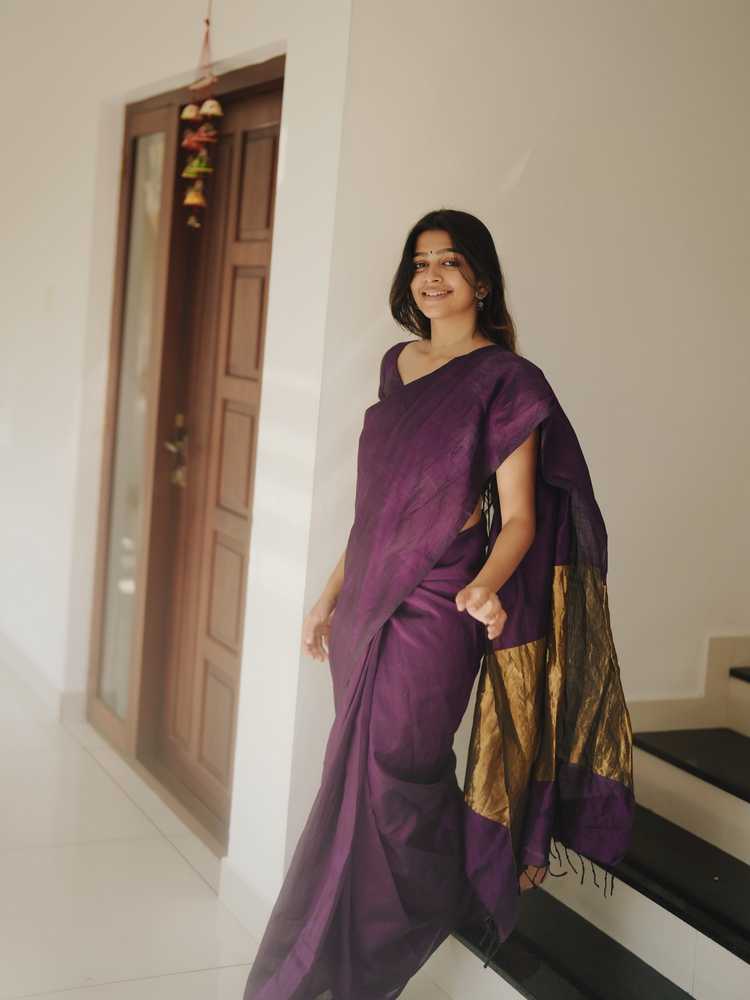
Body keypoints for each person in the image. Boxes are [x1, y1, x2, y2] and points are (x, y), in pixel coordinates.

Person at [243, 209, 634, 1000]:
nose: (432, 276)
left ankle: (409, 919)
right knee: (357, 777)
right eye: (421, 262)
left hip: (440, 598)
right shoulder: (398, 365)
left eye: (451, 262)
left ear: (481, 279)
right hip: (367, 600)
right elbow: (379, 508)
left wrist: (484, 585)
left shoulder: (508, 379)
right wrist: (328, 596)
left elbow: (519, 519)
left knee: (400, 770)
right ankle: (335, 944)